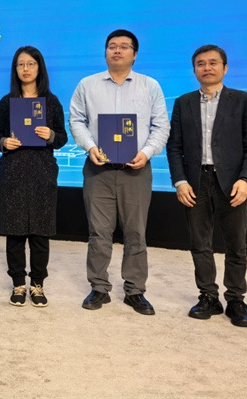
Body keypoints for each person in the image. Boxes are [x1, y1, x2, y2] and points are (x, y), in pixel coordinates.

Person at [68, 29, 169, 315]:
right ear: (105, 52)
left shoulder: (150, 86)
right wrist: (90, 147)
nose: (117, 50)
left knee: (136, 232)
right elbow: (76, 120)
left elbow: (161, 125)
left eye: (124, 47)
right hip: (98, 169)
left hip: (136, 170)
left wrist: (146, 152)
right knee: (99, 232)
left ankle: (135, 291)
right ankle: (99, 287)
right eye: (112, 46)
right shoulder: (87, 85)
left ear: (134, 54)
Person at [166, 45, 247, 327]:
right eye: (201, 63)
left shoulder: (243, 100)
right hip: (195, 182)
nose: (207, 68)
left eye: (213, 62)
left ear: (225, 67)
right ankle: (208, 296)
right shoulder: (183, 102)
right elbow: (175, 147)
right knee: (200, 243)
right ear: (194, 69)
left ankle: (235, 299)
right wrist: (180, 181)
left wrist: (246, 180)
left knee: (236, 245)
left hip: (233, 183)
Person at [0, 46, 68, 307]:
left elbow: (62, 138)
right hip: (12, 171)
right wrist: (4, 142)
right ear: (15, 69)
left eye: (31, 64)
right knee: (14, 232)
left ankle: (37, 284)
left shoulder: (51, 102)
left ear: (39, 68)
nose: (25, 69)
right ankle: (18, 283)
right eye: (20, 64)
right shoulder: (7, 102)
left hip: (42, 171)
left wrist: (51, 135)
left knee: (40, 231)